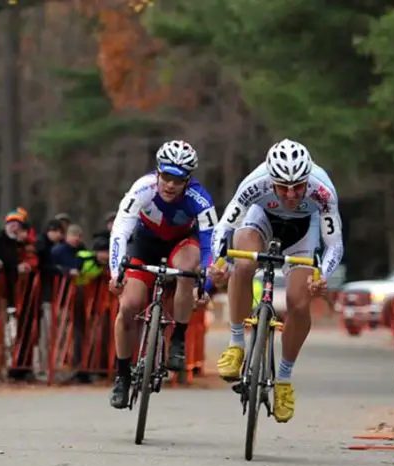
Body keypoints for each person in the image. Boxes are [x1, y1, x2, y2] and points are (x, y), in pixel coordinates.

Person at [209, 139, 343, 423]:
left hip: (302, 234)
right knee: (243, 262)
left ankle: (283, 379)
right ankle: (236, 345)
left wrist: (323, 276)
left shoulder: (322, 191)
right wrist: (219, 261)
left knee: (299, 301)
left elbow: (334, 245)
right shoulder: (255, 183)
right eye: (283, 187)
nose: (292, 194)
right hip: (262, 221)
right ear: (271, 178)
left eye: (298, 186)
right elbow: (226, 225)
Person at [106, 140, 217, 409]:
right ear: (157, 172)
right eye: (165, 177)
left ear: (188, 180)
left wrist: (206, 284)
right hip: (144, 243)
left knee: (187, 268)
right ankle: (122, 376)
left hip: (181, 244)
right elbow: (120, 229)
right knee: (129, 306)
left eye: (177, 180)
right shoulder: (143, 188)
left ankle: (178, 336)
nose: (169, 185)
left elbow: (210, 243)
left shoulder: (199, 199)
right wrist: (116, 271)